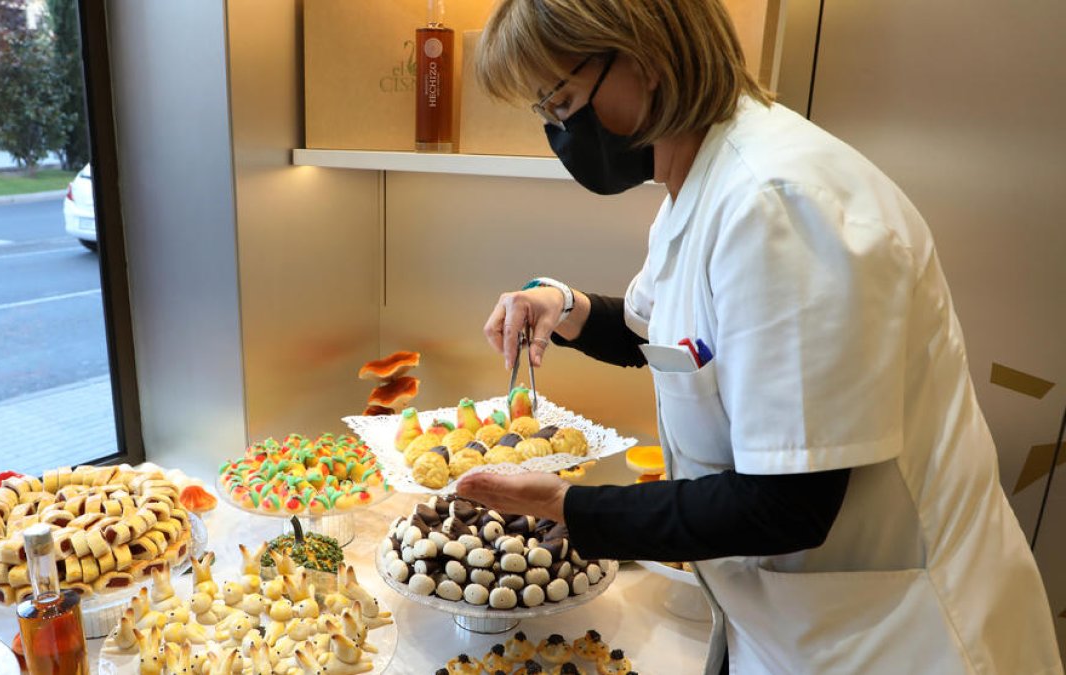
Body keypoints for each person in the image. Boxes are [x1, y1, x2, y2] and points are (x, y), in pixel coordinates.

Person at [455, 1, 1064, 673]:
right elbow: (676, 344)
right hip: (793, 626)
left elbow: (786, 505)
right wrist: (562, 307)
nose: (560, 131)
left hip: (898, 636)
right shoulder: (695, 182)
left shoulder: (774, 201)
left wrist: (571, 506)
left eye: (562, 101)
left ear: (645, 59)